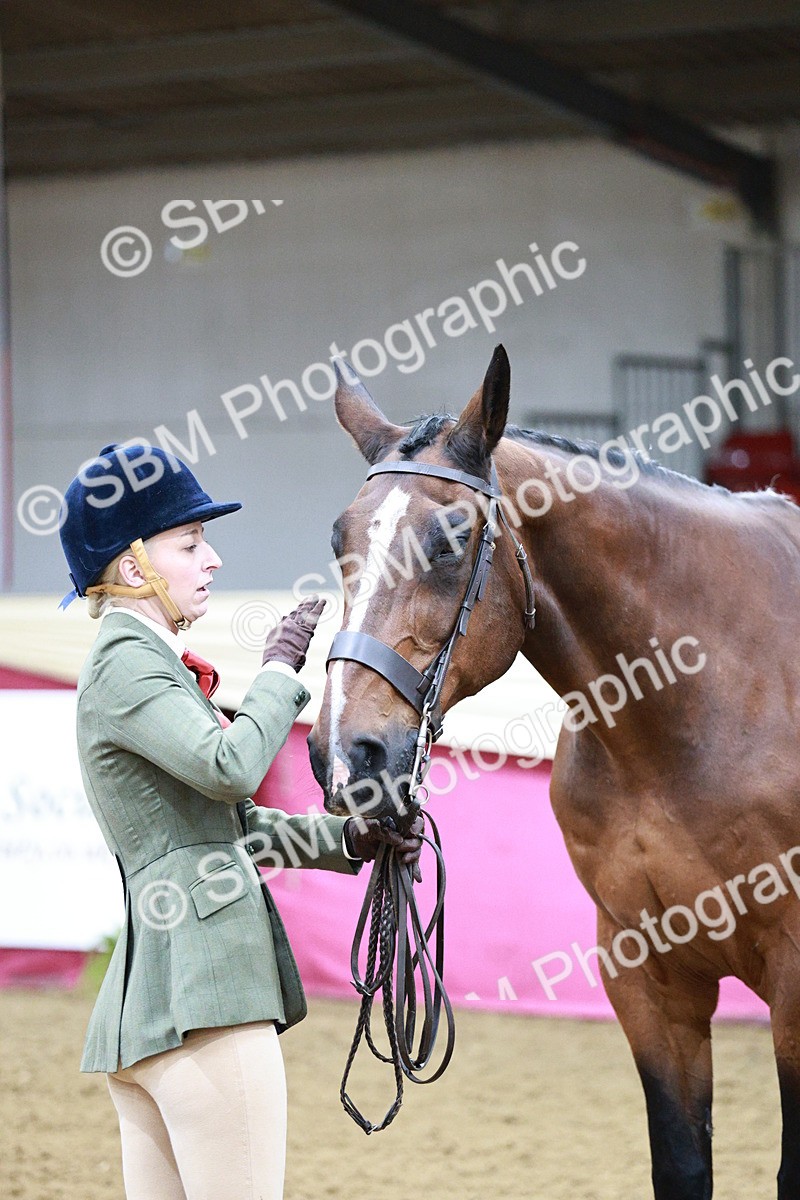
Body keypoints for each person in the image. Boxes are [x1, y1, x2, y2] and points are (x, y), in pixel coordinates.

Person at [58, 442, 423, 1200]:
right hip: (207, 995)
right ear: (133, 568)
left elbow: (227, 826)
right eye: (190, 544)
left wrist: (347, 838)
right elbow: (230, 768)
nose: (213, 559)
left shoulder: (142, 662)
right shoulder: (129, 661)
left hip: (156, 1013)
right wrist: (281, 675)